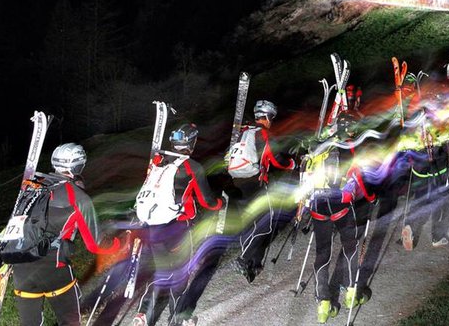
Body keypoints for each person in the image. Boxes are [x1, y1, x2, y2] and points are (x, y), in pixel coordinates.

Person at [11, 143, 120, 326]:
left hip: (21, 266)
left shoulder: (33, 187)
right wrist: (119, 243)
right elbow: (95, 244)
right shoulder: (78, 196)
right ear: (79, 166)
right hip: (53, 268)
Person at [133, 123, 223, 326]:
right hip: (177, 230)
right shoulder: (192, 167)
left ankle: (142, 314)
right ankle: (179, 319)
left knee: (161, 271)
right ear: (192, 143)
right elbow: (206, 201)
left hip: (152, 227)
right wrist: (220, 203)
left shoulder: (158, 161)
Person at [299, 112, 375, 323]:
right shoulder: (350, 146)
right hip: (340, 204)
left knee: (322, 252)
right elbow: (359, 177)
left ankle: (323, 306)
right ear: (351, 128)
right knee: (350, 247)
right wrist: (371, 197)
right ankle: (352, 295)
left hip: (317, 205)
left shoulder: (323, 145)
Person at [232, 99, 296, 283]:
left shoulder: (244, 131)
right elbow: (275, 159)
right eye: (271, 117)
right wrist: (292, 163)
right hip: (254, 183)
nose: (271, 121)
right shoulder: (263, 134)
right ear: (267, 116)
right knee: (266, 224)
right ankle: (244, 258)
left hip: (237, 183)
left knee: (250, 223)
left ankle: (253, 264)